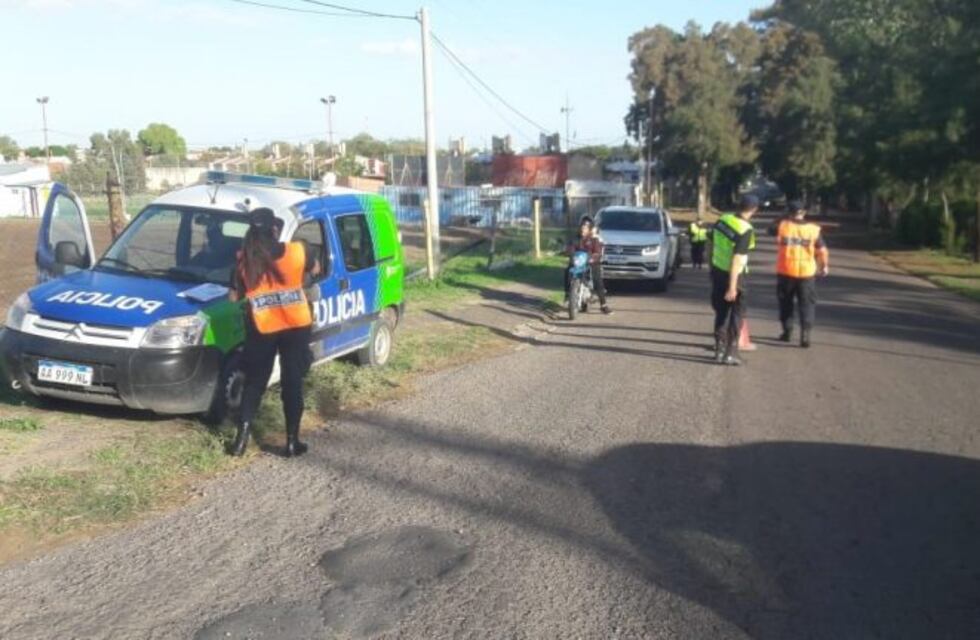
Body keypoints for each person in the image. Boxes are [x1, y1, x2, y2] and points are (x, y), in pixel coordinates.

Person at [228, 208, 320, 457]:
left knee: (255, 382)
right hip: (295, 325)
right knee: (292, 382)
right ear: (275, 229)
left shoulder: (244, 260)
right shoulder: (299, 250)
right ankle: (292, 442)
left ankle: (241, 441)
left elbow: (234, 296)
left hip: (263, 327)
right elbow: (315, 271)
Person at [768, 200, 829, 348]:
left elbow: (770, 229)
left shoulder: (782, 226)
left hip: (785, 271)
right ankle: (805, 335)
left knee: (786, 303)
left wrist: (782, 215)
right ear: (804, 212)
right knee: (806, 304)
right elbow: (822, 250)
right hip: (806, 273)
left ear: (789, 211)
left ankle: (787, 331)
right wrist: (824, 265)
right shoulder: (813, 229)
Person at [708, 195, 758, 365]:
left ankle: (719, 349)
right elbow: (737, 259)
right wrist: (733, 287)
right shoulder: (746, 229)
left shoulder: (722, 220)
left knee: (721, 312)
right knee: (737, 314)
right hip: (735, 276)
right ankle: (730, 352)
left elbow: (711, 242)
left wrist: (712, 265)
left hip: (717, 271)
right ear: (754, 210)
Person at [564, 216, 612, 315]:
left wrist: (594, 257)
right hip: (578, 262)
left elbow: (598, 251)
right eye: (582, 228)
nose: (583, 230)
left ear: (590, 229)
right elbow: (571, 248)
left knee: (597, 278)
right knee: (567, 270)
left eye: (585, 228)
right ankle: (568, 294)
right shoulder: (576, 238)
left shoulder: (594, 240)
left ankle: (603, 304)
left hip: (591, 262)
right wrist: (569, 253)